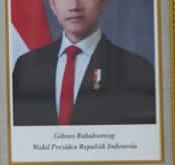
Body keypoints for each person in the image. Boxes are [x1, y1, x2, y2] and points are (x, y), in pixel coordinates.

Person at [10, 0, 157, 127]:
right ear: (53, 5)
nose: (75, 6)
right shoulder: (25, 66)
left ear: (104, 3)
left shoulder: (137, 69)